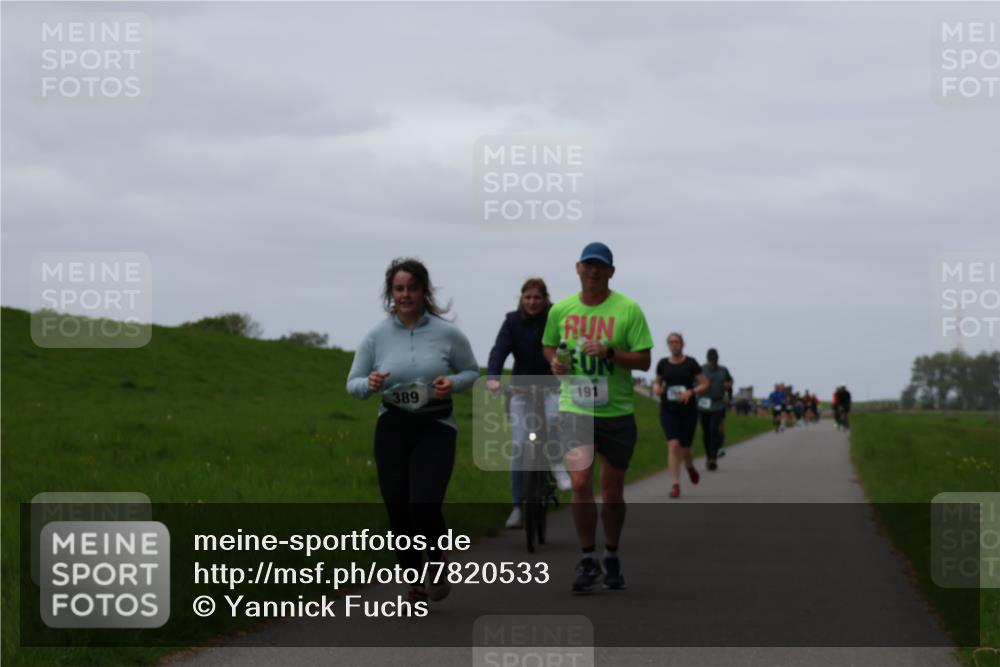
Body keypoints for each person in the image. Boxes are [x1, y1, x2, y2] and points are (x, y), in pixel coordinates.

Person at [346, 258, 479, 605]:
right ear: (391, 293)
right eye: (399, 289)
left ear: (424, 291)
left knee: (424, 502)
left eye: (412, 288)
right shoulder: (376, 335)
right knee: (397, 507)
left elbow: (471, 372)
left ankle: (435, 561)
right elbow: (353, 384)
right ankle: (414, 583)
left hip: (435, 425)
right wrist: (370, 383)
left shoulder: (446, 333)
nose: (405, 295)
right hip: (393, 425)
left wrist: (453, 381)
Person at [542, 242, 653, 592]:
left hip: (616, 410)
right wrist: (554, 362)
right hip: (575, 407)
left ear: (610, 272)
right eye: (588, 265)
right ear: (577, 268)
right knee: (579, 483)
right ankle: (587, 557)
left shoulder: (628, 309)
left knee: (612, 491)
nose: (593, 271)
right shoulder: (561, 310)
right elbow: (549, 345)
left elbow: (644, 360)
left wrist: (610, 352)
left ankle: (612, 553)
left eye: (600, 267)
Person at [486, 278, 571, 531]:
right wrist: (492, 378)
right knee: (520, 444)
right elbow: (499, 350)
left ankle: (556, 464)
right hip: (520, 389)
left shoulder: (555, 317)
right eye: (527, 297)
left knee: (554, 420)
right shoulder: (512, 322)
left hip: (552, 386)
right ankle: (516, 506)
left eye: (537, 297)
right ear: (521, 299)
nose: (532, 302)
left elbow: (566, 348)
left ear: (545, 299)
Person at [653, 334, 710, 497]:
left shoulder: (691, 363)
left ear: (682, 344)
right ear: (668, 345)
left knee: (686, 450)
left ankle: (690, 466)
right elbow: (657, 382)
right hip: (668, 410)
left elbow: (705, 383)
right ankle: (675, 485)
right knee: (673, 445)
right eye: (671, 342)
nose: (674, 345)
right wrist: (657, 387)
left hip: (688, 411)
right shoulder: (662, 364)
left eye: (676, 342)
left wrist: (691, 392)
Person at [698, 348, 733, 470]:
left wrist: (728, 387)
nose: (712, 362)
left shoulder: (723, 370)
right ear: (708, 359)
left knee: (714, 431)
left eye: (714, 359)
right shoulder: (701, 370)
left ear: (717, 359)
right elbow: (693, 384)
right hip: (703, 404)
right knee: (706, 432)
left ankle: (713, 458)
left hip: (717, 404)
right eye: (711, 360)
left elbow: (730, 382)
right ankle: (708, 456)